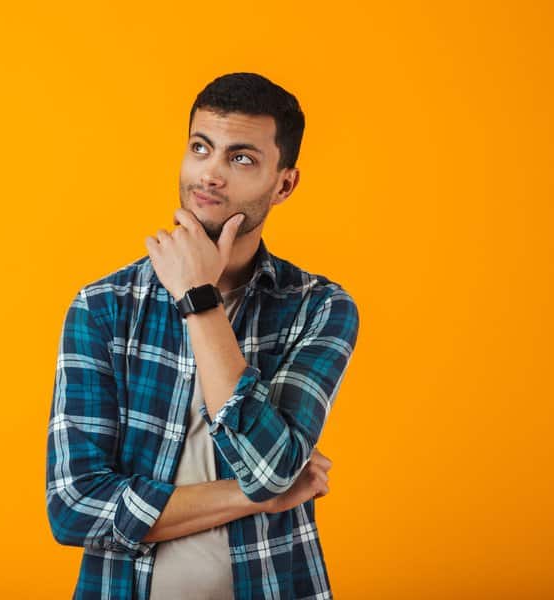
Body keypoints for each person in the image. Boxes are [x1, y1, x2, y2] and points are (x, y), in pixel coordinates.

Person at [46, 72, 360, 600]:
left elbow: (269, 467)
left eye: (241, 158)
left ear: (284, 183)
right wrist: (254, 497)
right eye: (200, 148)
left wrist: (199, 299)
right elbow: (74, 509)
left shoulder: (318, 307)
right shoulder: (103, 308)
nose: (210, 173)